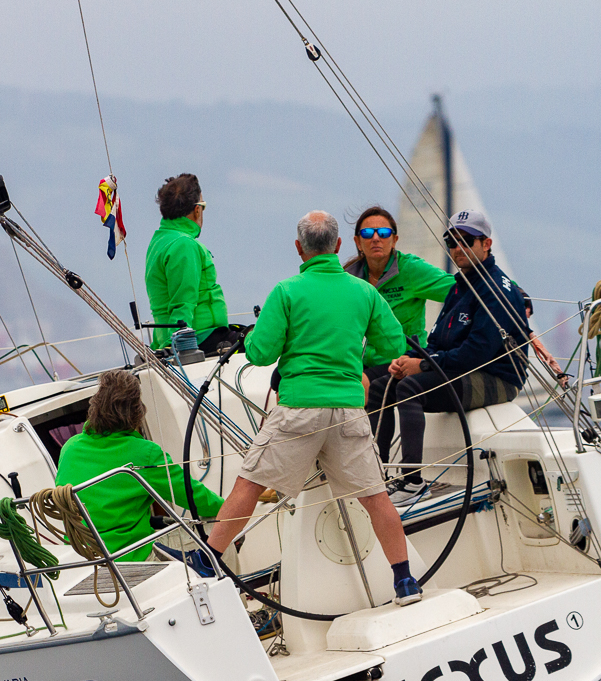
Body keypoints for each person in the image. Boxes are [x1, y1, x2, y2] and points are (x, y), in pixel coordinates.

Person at [198, 211, 423, 605]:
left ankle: (206, 559)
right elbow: (392, 346)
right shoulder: (364, 292)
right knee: (375, 497)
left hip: (299, 409)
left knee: (250, 483)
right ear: (339, 246)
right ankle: (404, 582)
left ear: (299, 248)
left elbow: (260, 352)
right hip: (349, 411)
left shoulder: (286, 291)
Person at [367, 210, 531, 507]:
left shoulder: (494, 290)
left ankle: (412, 482)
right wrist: (408, 359)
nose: (458, 248)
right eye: (453, 242)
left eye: (467, 240)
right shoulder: (460, 286)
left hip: (497, 378)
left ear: (486, 244)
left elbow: (475, 355)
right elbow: (438, 341)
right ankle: (379, 477)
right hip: (464, 369)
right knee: (381, 387)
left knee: (410, 389)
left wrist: (423, 365)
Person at [55, 369, 223, 573]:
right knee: (221, 528)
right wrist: (230, 508)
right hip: (131, 559)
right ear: (137, 412)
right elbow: (195, 498)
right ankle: (233, 590)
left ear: (95, 406)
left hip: (81, 563)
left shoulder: (70, 448)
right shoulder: (145, 453)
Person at [344, 205, 455, 387]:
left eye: (384, 233)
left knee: (363, 385)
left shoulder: (411, 269)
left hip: (402, 361)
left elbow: (460, 289)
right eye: (367, 233)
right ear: (358, 242)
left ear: (394, 240)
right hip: (359, 363)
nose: (376, 238)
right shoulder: (348, 279)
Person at [144, 174, 238, 356]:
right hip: (201, 338)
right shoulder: (184, 245)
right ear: (197, 210)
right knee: (261, 346)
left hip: (186, 336)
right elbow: (183, 302)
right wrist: (178, 348)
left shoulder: (160, 240)